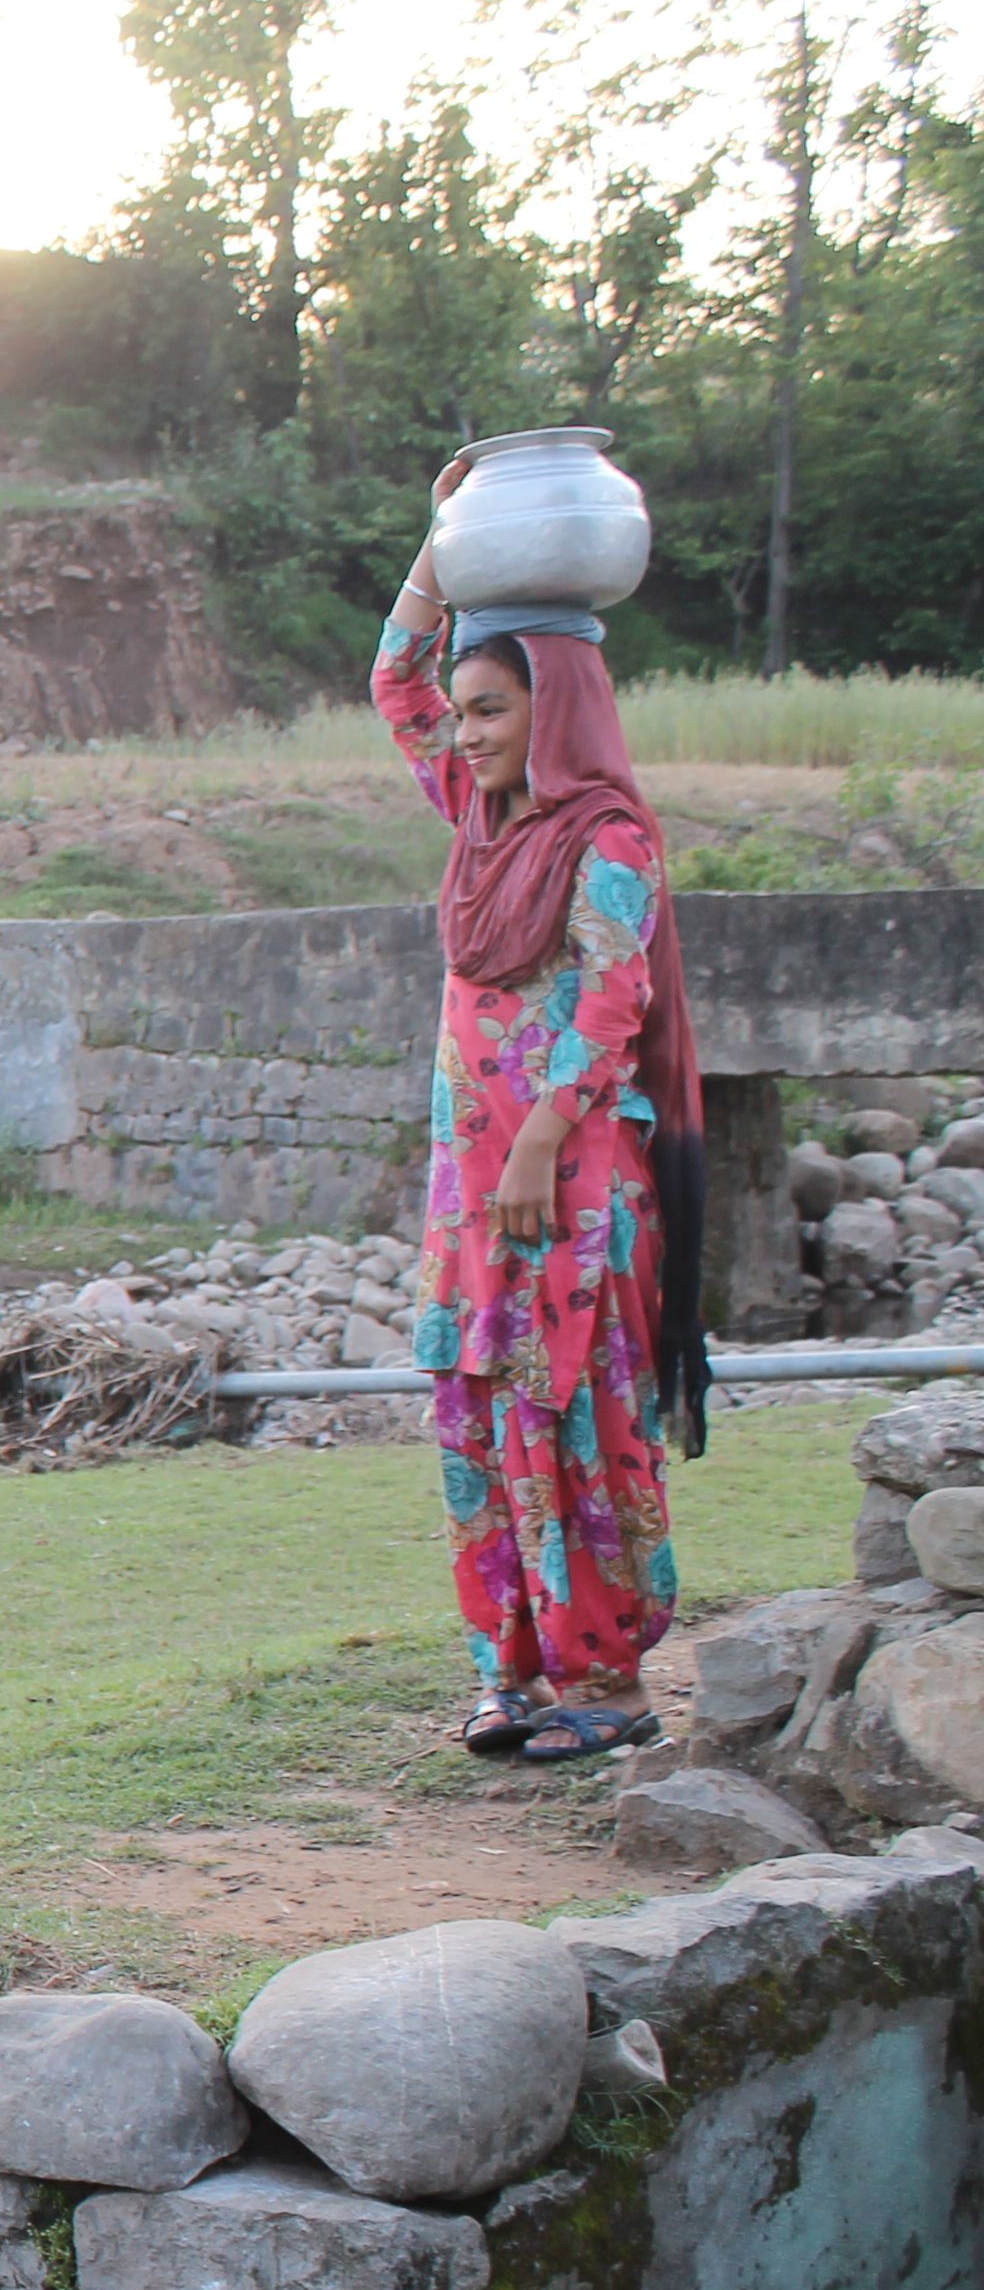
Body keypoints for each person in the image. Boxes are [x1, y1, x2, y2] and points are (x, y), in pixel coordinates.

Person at [378, 462, 709, 1766]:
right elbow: (394, 683)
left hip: (568, 1181)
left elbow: (610, 1009)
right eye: (459, 712)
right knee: (476, 1410)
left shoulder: (610, 840)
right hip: (472, 1190)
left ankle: (611, 1684)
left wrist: (535, 1143)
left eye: (489, 710)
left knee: (579, 1415)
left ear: (551, 706)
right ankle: (508, 1670)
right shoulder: (475, 820)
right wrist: (441, 540)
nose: (460, 733)